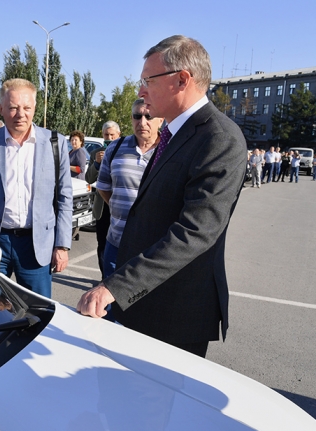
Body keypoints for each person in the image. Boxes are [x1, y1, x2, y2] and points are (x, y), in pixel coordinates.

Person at [77, 35, 247, 358]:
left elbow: (193, 233)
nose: (141, 90)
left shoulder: (219, 139)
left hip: (175, 314)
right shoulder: (172, 132)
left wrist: (116, 286)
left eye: (148, 80)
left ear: (182, 80)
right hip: (145, 302)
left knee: (156, 407)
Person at [0, 78, 73, 298]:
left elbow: (64, 198)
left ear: (35, 108)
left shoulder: (55, 143)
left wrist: (62, 246)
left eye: (26, 108)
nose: (20, 114)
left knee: (37, 312)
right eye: (13, 107)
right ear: (1, 108)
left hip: (36, 245)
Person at [97, 98, 163, 281]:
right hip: (116, 242)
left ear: (161, 119)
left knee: (146, 305)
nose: (142, 122)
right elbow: (103, 188)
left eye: (149, 116)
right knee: (110, 304)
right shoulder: (115, 148)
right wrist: (121, 209)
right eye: (137, 116)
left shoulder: (170, 150)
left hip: (154, 248)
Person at [86, 121, 121, 275]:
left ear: (118, 135)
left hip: (121, 205)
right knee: (103, 243)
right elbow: (88, 178)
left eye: (112, 135)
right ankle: (104, 278)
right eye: (106, 135)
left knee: (120, 244)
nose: (109, 137)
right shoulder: (96, 153)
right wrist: (97, 164)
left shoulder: (125, 150)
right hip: (102, 207)